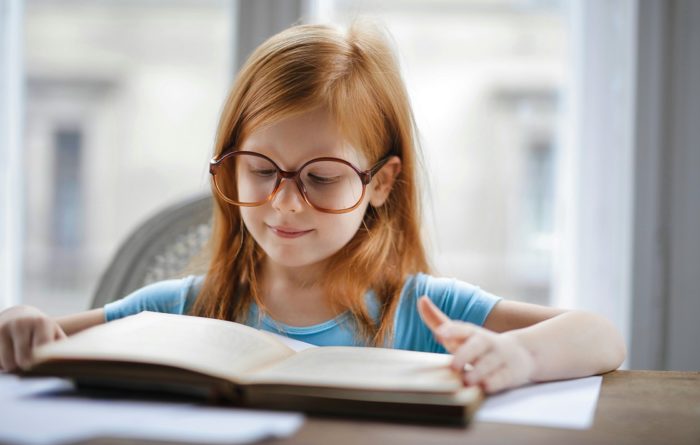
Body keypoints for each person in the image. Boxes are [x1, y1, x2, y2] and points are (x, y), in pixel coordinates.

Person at [0, 22, 625, 393]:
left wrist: (522, 357)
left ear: (381, 183)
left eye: (321, 179)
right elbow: (41, 345)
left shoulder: (420, 309)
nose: (285, 203)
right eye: (262, 171)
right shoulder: (182, 308)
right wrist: (20, 322)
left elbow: (600, 337)